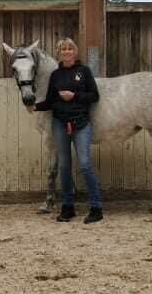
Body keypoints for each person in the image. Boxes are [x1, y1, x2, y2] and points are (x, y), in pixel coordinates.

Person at [28, 38, 103, 223]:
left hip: (80, 124)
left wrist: (74, 95)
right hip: (60, 124)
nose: (67, 52)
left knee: (85, 164)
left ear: (75, 52)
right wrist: (35, 107)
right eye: (63, 49)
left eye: (70, 49)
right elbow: (51, 101)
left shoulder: (84, 72)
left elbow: (94, 96)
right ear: (59, 53)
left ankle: (96, 207)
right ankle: (68, 206)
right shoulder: (56, 75)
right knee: (64, 167)